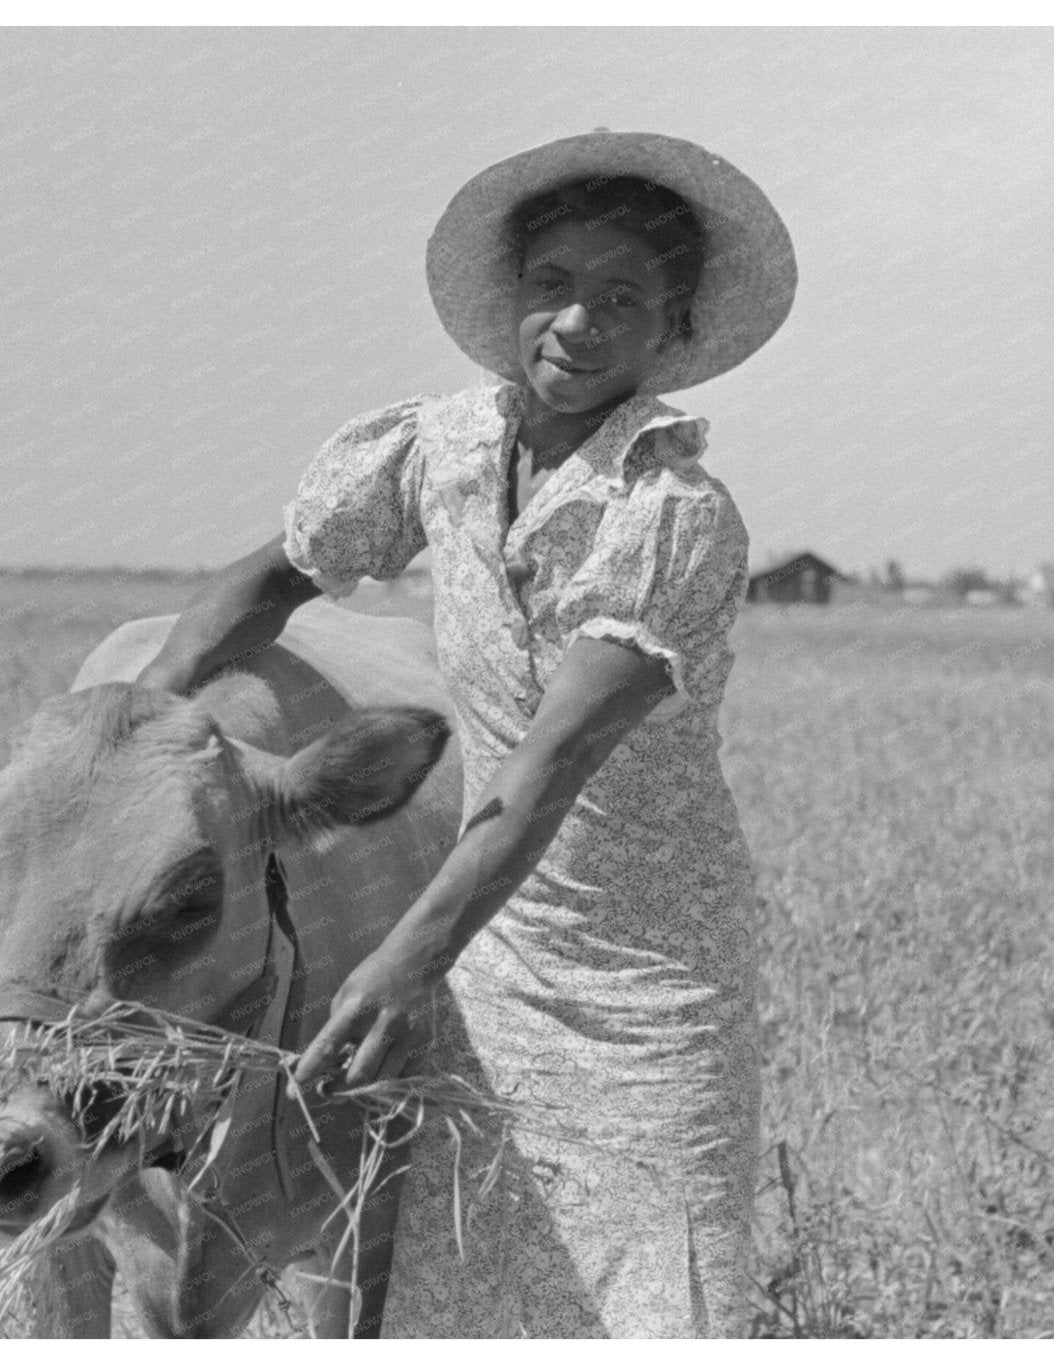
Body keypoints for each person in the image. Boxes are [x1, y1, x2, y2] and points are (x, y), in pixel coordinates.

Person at [135, 129, 797, 1337]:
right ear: (512, 296)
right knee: (469, 1283)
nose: (577, 323)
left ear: (674, 332)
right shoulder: (438, 451)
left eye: (621, 298)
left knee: (655, 1292)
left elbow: (551, 761)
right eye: (552, 284)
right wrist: (150, 706)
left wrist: (404, 957)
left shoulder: (671, 516)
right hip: (491, 944)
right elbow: (281, 574)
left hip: (644, 967)